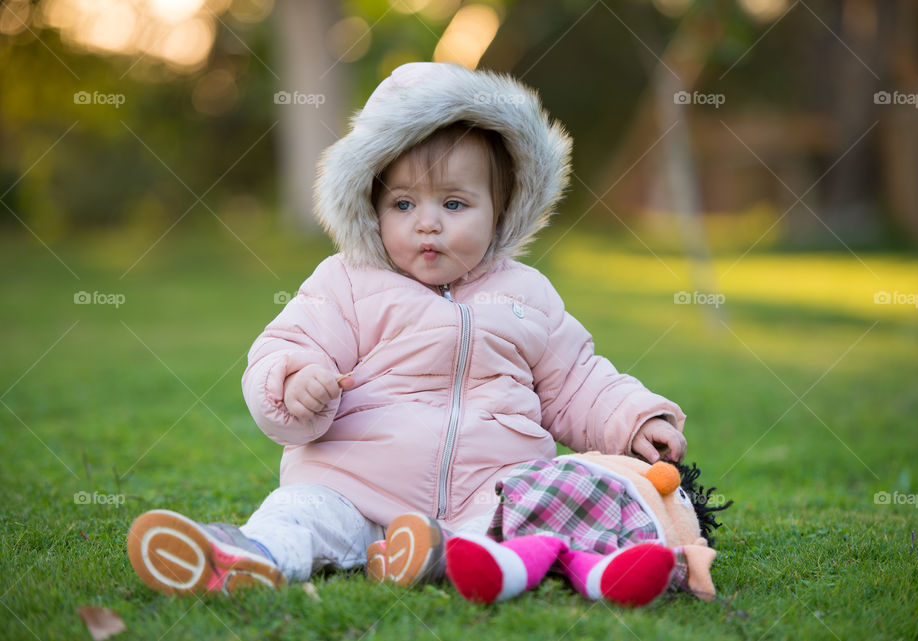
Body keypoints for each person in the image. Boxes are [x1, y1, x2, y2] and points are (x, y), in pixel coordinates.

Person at [126, 62, 687, 597]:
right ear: (370, 206)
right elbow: (286, 347)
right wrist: (296, 381)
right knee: (304, 510)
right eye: (402, 203)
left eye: (453, 202)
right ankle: (256, 555)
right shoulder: (346, 282)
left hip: (486, 493)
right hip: (355, 485)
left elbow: (577, 381)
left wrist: (633, 420)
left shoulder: (527, 294)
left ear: (502, 206)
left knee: (548, 499)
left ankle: (438, 555)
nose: (427, 223)